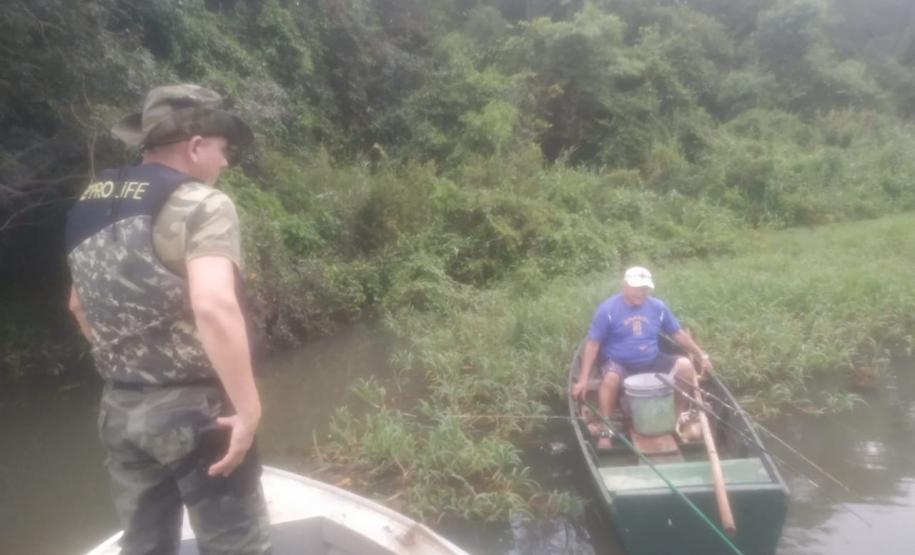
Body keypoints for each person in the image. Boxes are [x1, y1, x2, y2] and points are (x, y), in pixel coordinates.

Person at [65, 84, 271, 554]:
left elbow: (77, 306)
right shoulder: (203, 204)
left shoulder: (88, 205)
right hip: (197, 414)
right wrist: (248, 410)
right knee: (236, 546)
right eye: (222, 149)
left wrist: (132, 365)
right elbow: (214, 306)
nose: (225, 162)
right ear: (196, 146)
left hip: (120, 410)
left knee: (145, 545)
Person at [570, 266, 713, 449]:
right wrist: (583, 379)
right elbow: (593, 344)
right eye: (636, 288)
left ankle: (674, 420)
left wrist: (701, 355)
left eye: (644, 288)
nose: (641, 293)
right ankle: (606, 430)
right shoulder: (608, 309)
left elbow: (677, 334)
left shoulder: (658, 307)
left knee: (685, 366)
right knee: (610, 378)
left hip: (651, 360)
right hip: (619, 363)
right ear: (625, 285)